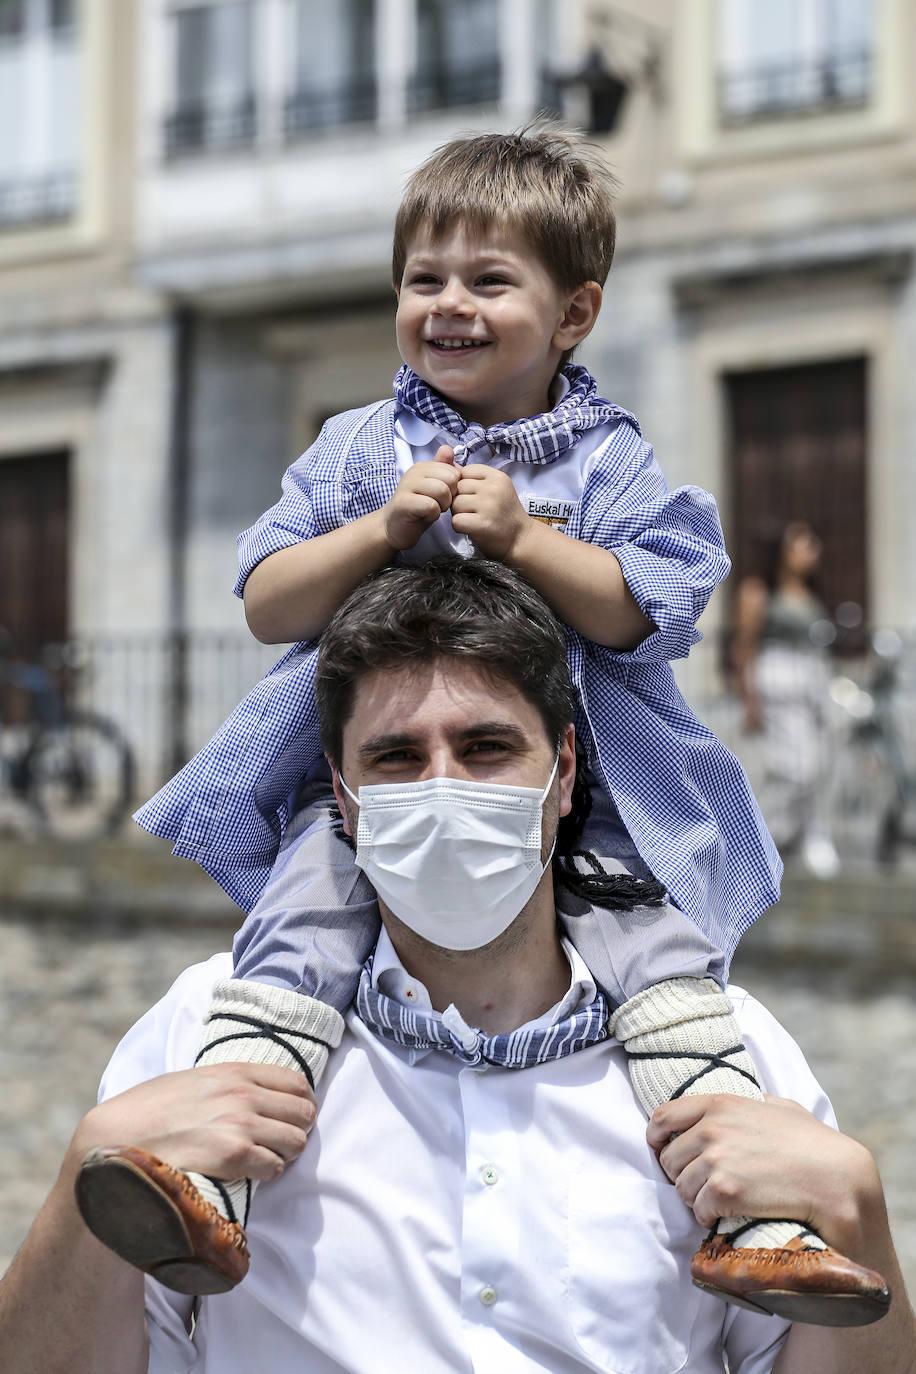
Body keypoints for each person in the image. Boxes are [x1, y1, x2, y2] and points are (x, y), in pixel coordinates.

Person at [75, 128, 862, 1311]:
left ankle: (757, 1219)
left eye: (489, 281)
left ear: (574, 312)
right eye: (422, 279)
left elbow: (649, 609)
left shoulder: (607, 460)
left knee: (664, 978)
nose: (448, 305)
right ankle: (208, 1191)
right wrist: (378, 530)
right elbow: (266, 601)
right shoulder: (356, 447)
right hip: (372, 790)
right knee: (295, 943)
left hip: (589, 799)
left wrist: (526, 540)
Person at [1, 560, 912, 1374]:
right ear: (343, 795)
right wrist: (88, 1178)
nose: (443, 787)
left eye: (485, 747)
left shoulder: (728, 1055)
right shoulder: (209, 1033)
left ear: (563, 773)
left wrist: (858, 1217)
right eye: (396, 756)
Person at [732, 521, 839, 878]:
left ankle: (807, 834)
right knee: (794, 767)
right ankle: (768, 837)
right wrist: (749, 699)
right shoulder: (760, 591)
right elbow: (745, 647)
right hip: (779, 684)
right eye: (801, 542)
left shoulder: (811, 593)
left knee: (818, 763)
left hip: (814, 683)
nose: (811, 548)